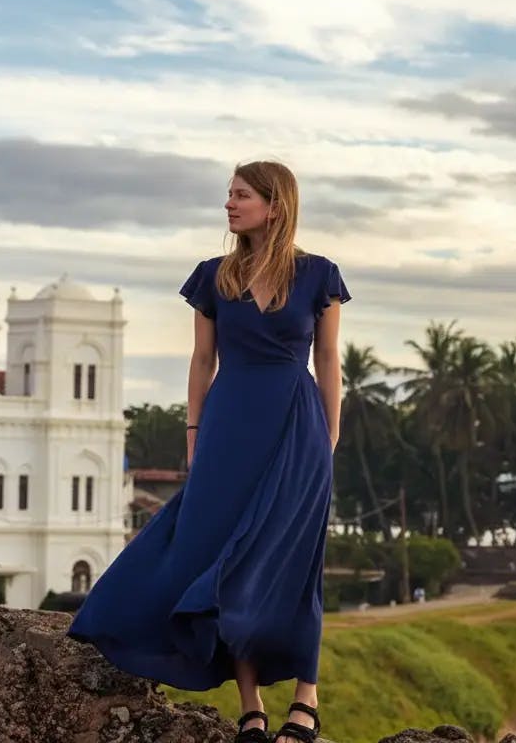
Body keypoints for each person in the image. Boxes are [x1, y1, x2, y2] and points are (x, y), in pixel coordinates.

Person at [67, 160, 350, 743]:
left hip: (298, 426)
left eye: (241, 195)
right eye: (229, 195)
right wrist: (194, 434)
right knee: (220, 556)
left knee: (295, 558)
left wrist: (329, 435)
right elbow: (202, 362)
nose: (229, 204)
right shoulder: (213, 277)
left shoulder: (320, 275)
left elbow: (328, 360)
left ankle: (307, 699)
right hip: (227, 426)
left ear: (275, 205)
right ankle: (250, 706)